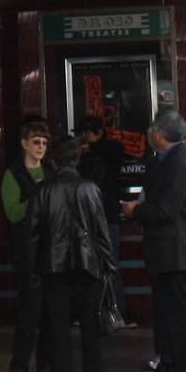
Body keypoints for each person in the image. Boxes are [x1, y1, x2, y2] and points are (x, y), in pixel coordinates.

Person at [124, 109, 186, 372]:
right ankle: (174, 369)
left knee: (183, 317)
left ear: (158, 134)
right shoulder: (167, 160)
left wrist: (137, 210)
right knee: (171, 316)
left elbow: (167, 209)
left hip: (179, 253)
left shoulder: (179, 161)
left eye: (152, 130)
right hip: (170, 253)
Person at [31, 132, 114, 372]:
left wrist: (33, 271)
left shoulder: (42, 191)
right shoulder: (90, 188)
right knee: (91, 328)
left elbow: (32, 236)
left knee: (58, 329)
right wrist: (108, 267)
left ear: (53, 160)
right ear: (77, 160)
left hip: (53, 267)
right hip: (88, 265)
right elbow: (102, 233)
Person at [0, 116, 51, 372]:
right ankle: (18, 368)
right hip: (26, 252)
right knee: (29, 312)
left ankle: (44, 366)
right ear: (24, 144)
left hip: (50, 251)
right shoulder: (13, 174)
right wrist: (38, 199)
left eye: (44, 143)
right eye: (36, 142)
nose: (41, 147)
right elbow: (12, 212)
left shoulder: (51, 173)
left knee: (50, 312)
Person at [76, 121, 130, 323]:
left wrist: (90, 147)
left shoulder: (109, 151)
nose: (83, 138)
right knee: (90, 268)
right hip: (91, 219)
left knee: (110, 266)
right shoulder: (85, 157)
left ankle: (116, 311)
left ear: (97, 133)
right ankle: (95, 312)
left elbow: (116, 148)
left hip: (107, 217)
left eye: (86, 133)